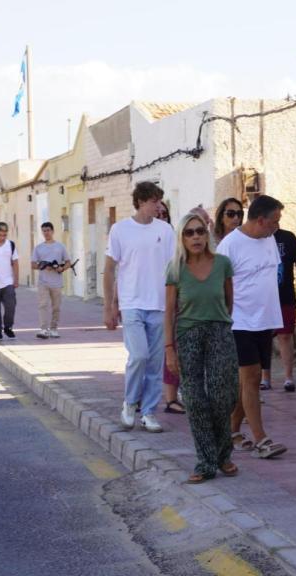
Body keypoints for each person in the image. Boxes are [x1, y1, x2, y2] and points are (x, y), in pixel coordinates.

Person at [165, 211, 239, 483]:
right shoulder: (175, 268)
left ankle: (223, 453)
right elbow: (169, 311)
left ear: (207, 235)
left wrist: (220, 324)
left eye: (199, 231)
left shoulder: (222, 264)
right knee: (194, 400)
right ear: (182, 238)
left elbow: (229, 301)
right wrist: (169, 348)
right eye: (189, 232)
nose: (195, 237)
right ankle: (206, 461)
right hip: (187, 335)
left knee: (222, 397)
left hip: (219, 331)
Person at [216, 194, 288, 459]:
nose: (277, 227)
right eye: (274, 221)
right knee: (251, 378)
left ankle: (232, 430)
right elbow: (218, 285)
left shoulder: (269, 239)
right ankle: (261, 439)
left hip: (265, 320)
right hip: (240, 321)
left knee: (249, 380)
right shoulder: (230, 245)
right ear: (260, 220)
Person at [104, 181, 175, 434]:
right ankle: (130, 402)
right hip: (132, 303)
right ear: (141, 201)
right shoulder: (120, 230)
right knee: (139, 356)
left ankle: (148, 412)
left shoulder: (165, 230)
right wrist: (110, 306)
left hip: (158, 304)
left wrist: (174, 304)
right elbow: (110, 269)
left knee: (155, 362)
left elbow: (172, 270)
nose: (158, 206)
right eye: (155, 201)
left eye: (160, 202)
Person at [261, 226, 296, 392]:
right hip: (263, 298)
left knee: (285, 336)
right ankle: (265, 378)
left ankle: (289, 377)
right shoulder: (257, 237)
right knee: (264, 337)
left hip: (285, 296)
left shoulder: (288, 237)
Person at [154, 201, 185, 415]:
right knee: (147, 355)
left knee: (172, 350)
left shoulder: (174, 238)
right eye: (158, 213)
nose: (162, 216)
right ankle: (142, 396)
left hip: (172, 301)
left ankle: (173, 398)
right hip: (147, 302)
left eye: (165, 213)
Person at [31, 222, 69, 339]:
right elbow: (33, 265)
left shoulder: (60, 246)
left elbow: (68, 262)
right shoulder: (38, 248)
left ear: (53, 231)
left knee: (56, 307)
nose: (46, 233)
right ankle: (43, 329)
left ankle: (54, 328)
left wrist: (61, 268)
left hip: (56, 282)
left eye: (48, 230)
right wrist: (43, 266)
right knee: (42, 305)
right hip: (43, 281)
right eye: (44, 231)